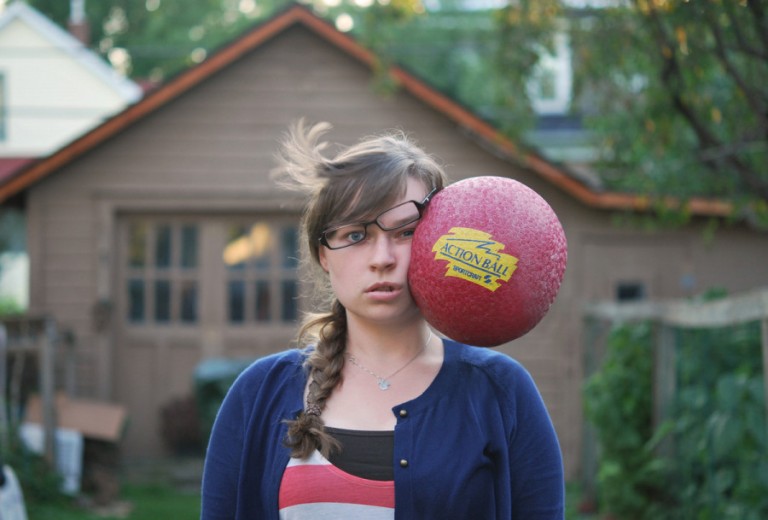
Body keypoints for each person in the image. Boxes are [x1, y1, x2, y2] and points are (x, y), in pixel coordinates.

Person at [201, 120, 564, 519]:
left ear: (442, 238)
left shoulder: (501, 392)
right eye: (356, 235)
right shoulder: (257, 394)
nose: (382, 258)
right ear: (324, 255)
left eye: (405, 232)